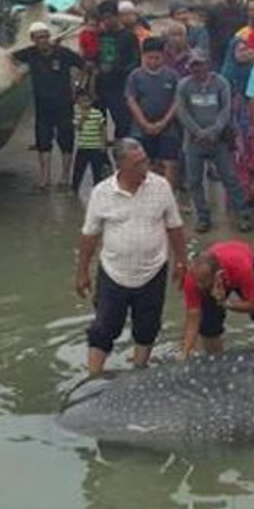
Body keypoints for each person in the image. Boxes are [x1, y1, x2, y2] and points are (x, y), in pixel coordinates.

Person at [75, 138, 187, 377]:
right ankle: (93, 378)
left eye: (145, 161)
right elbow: (89, 236)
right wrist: (82, 272)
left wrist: (181, 261)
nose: (145, 167)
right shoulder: (102, 192)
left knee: (148, 326)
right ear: (121, 165)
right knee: (103, 327)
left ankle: (139, 372)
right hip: (113, 272)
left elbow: (175, 227)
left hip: (153, 270)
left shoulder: (161, 186)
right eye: (137, 164)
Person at [177, 49, 251, 234]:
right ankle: (202, 217)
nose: (197, 68)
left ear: (208, 64)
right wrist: (198, 132)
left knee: (230, 178)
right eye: (193, 65)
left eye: (200, 64)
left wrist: (214, 130)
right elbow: (182, 111)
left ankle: (243, 214)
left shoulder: (220, 83)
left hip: (219, 140)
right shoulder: (184, 85)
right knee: (194, 181)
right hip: (193, 141)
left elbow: (226, 110)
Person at [181, 240, 254, 357]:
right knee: (208, 326)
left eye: (202, 282)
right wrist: (186, 351)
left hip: (242, 263)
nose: (198, 286)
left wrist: (224, 302)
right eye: (196, 281)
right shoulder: (192, 279)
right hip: (222, 269)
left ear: (218, 275)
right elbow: (193, 316)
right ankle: (215, 359)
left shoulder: (242, 268)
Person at [13, 21, 84, 190]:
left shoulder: (63, 53)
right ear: (33, 39)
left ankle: (65, 177)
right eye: (39, 38)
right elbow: (9, 57)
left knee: (66, 139)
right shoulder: (30, 53)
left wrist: (78, 87)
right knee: (43, 140)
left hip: (64, 103)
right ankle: (45, 179)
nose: (43, 40)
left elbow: (85, 66)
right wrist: (18, 73)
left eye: (45, 36)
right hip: (42, 105)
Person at [125, 37, 182, 188]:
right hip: (141, 127)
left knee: (170, 162)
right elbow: (131, 100)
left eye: (157, 58)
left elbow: (177, 100)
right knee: (143, 162)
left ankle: (169, 194)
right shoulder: (135, 76)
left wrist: (164, 122)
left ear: (163, 56)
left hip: (168, 127)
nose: (153, 61)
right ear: (143, 56)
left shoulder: (172, 76)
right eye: (150, 58)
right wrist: (144, 123)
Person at [90, 0, 140, 139]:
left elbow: (135, 63)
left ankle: (121, 150)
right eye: (103, 18)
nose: (106, 21)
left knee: (123, 125)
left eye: (109, 17)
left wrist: (115, 70)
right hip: (100, 87)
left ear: (117, 16)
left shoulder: (129, 37)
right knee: (97, 126)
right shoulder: (99, 36)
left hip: (119, 88)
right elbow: (92, 57)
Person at [221, 38, 254, 203]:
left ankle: (252, 194)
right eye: (240, 50)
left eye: (246, 50)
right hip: (233, 122)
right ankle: (236, 196)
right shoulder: (227, 72)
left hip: (252, 117)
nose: (244, 54)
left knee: (253, 156)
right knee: (236, 157)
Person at [72, 92, 110, 192]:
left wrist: (103, 143)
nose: (85, 103)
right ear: (78, 103)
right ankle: (74, 188)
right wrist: (82, 119)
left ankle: (98, 188)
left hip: (95, 146)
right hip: (83, 146)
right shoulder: (78, 114)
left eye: (87, 101)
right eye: (81, 101)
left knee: (97, 169)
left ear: (91, 101)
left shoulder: (97, 113)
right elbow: (77, 128)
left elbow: (102, 128)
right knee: (78, 169)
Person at [206, 0, 246, 66]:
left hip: (238, 53)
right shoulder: (214, 10)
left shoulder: (244, 10)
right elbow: (210, 31)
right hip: (219, 55)